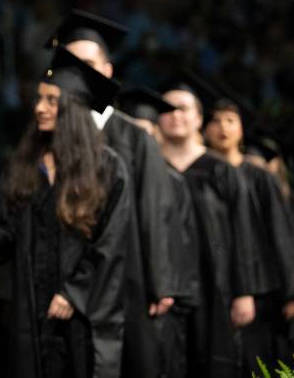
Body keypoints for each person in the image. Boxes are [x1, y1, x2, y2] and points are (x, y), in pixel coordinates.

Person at [0, 46, 131, 377]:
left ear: (73, 109)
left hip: (81, 316)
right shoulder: (23, 165)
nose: (40, 108)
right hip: (29, 311)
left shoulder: (107, 168)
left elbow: (111, 243)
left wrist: (74, 293)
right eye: (39, 99)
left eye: (52, 101)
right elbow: (7, 231)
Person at [50, 10, 180, 378]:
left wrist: (161, 282)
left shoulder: (135, 138)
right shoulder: (52, 139)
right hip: (69, 277)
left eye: (89, 64)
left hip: (129, 275)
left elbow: (154, 209)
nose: (82, 72)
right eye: (73, 64)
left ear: (108, 72)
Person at [158, 79, 260, 377]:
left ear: (198, 119)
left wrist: (244, 292)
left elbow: (242, 232)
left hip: (214, 286)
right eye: (167, 109)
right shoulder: (151, 169)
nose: (175, 114)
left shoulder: (220, 170)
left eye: (184, 108)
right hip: (165, 288)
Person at [204, 98, 294, 368]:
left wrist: (293, 291)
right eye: (215, 121)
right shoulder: (200, 172)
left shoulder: (259, 176)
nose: (222, 128)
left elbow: (281, 232)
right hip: (213, 283)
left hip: (262, 287)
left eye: (230, 121)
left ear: (240, 129)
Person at [118, 86, 201, 377]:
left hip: (162, 296)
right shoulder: (112, 175)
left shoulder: (173, 182)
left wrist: (167, 287)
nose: (141, 141)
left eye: (147, 132)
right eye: (135, 132)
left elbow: (183, 242)